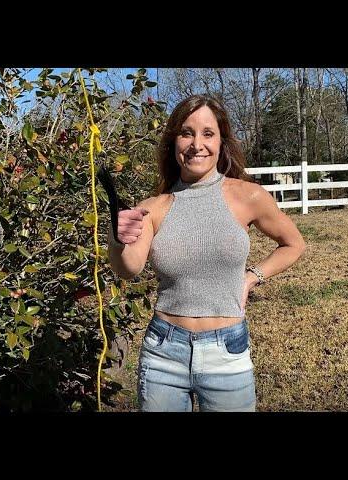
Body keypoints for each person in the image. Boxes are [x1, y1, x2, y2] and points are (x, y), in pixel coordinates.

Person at [107, 94, 306, 412]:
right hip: (163, 353)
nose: (196, 144)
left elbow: (294, 244)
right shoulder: (153, 208)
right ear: (174, 142)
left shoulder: (249, 196)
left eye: (207, 133)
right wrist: (117, 241)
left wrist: (251, 278)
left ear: (221, 141)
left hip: (226, 352)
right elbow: (128, 268)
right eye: (186, 133)